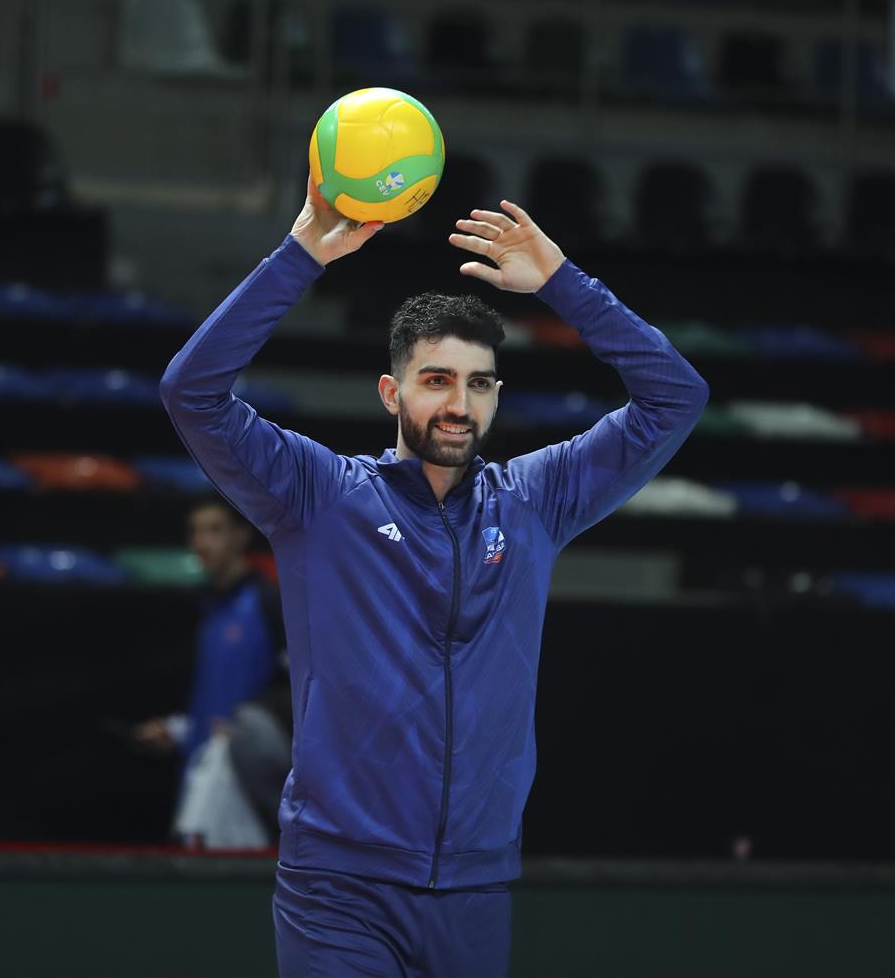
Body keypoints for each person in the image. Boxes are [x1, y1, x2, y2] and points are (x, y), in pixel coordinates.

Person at [159, 177, 709, 976]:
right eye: (437, 379)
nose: (460, 403)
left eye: (478, 383)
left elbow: (675, 398)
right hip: (339, 885)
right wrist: (302, 253)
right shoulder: (318, 495)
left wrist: (562, 282)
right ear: (392, 392)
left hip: (475, 890)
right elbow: (192, 392)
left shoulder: (533, 500)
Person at [133, 496, 290, 848]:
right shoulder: (198, 609)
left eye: (214, 530)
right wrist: (176, 729)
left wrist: (247, 728)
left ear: (241, 536)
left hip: (249, 786)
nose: (202, 542)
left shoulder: (270, 603)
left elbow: (299, 691)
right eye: (195, 532)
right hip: (200, 776)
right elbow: (205, 699)